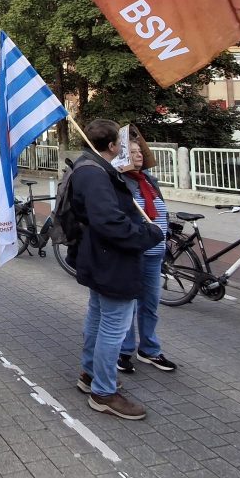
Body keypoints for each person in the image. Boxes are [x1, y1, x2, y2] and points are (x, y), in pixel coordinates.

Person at [71, 119, 163, 420]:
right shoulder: (95, 174)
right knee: (113, 326)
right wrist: (147, 235)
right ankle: (104, 391)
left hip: (100, 258)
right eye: (121, 143)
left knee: (98, 317)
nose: (125, 148)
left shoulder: (91, 167)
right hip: (112, 261)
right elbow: (109, 222)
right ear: (111, 146)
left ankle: (90, 374)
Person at [117, 139, 176, 374]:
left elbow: (160, 210)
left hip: (155, 253)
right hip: (135, 253)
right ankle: (124, 349)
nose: (139, 155)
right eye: (132, 152)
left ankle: (149, 349)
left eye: (140, 151)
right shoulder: (121, 183)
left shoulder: (149, 181)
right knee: (129, 304)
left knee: (149, 304)